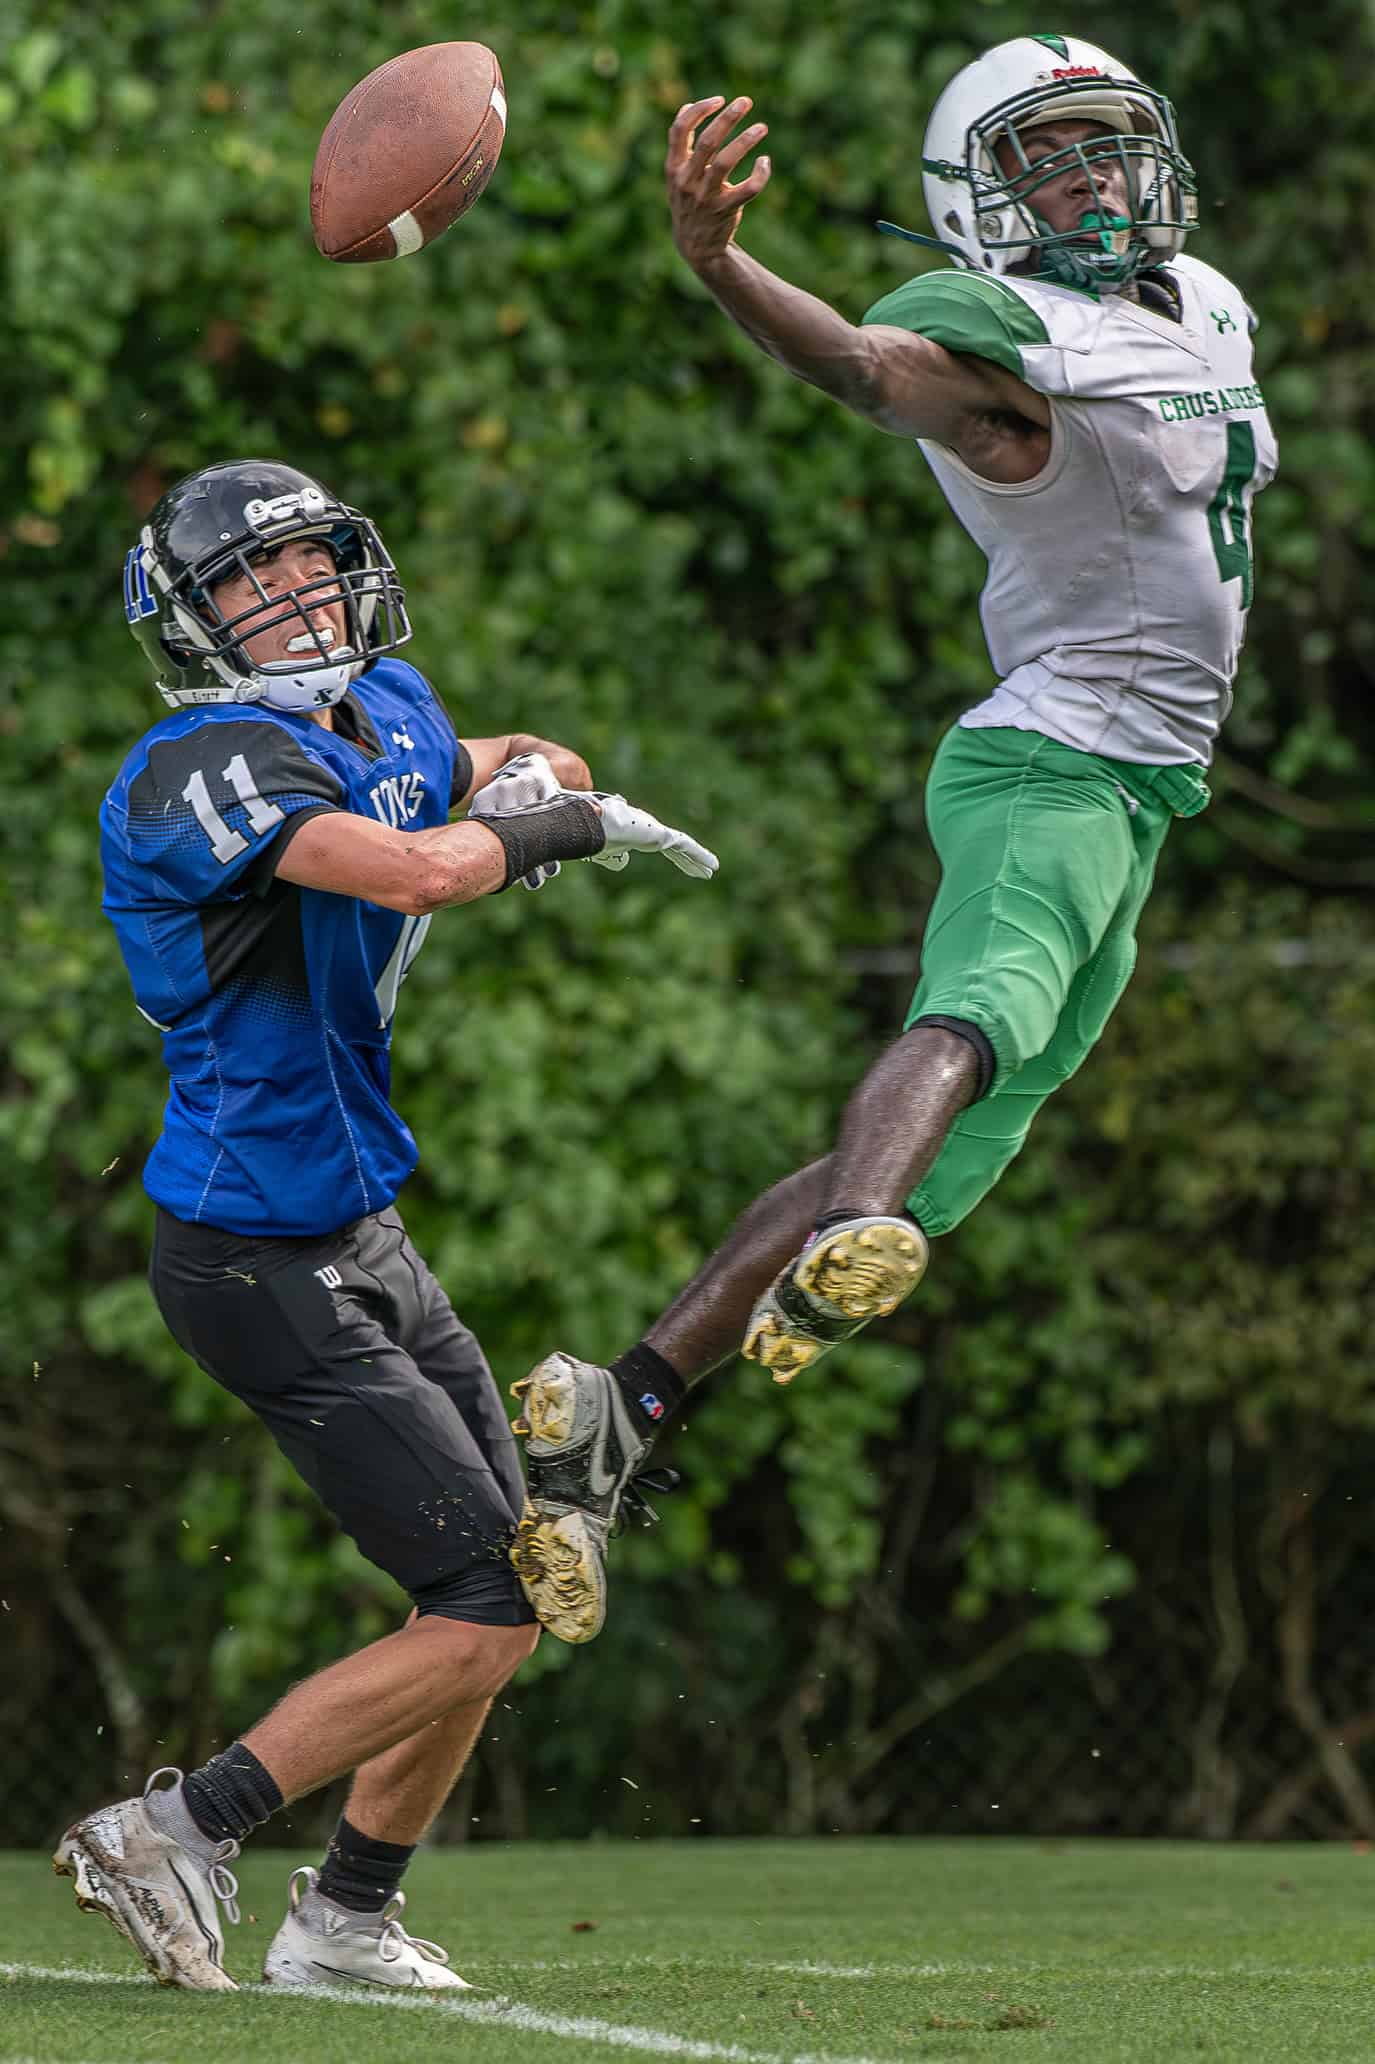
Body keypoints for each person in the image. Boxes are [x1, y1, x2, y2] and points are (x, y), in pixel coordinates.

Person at [507, 34, 1277, 1643]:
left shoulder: (1203, 300)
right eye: (1046, 158)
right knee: (973, 1022)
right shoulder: (1004, 333)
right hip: (1050, 760)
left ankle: (622, 1405)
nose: (1090, 179)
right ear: (977, 198)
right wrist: (726, 267)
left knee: (939, 1171)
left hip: (1141, 796)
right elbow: (868, 367)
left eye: (1106, 144)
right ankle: (845, 1227)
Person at [55, 460, 717, 1990]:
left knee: (524, 1575)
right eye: (248, 580)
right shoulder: (194, 770)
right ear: (192, 617)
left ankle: (347, 1915)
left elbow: (484, 763)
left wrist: (540, 776)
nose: (291, 598)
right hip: (248, 1250)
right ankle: (180, 1827)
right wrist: (566, 829)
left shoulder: (388, 712)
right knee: (488, 1606)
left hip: (361, 1229)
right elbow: (416, 863)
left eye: (309, 566)